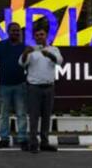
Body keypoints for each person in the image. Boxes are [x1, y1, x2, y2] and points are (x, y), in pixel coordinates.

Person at [19, 24, 63, 153]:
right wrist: (25, 53)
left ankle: (45, 143)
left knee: (46, 117)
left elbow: (59, 61)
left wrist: (48, 55)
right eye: (37, 35)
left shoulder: (53, 49)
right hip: (34, 87)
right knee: (34, 117)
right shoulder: (31, 51)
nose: (39, 37)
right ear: (34, 37)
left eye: (42, 34)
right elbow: (21, 63)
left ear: (46, 35)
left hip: (49, 87)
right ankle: (33, 143)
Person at [0, 22, 28, 150]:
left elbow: (29, 66)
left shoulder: (24, 48)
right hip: (3, 85)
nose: (16, 33)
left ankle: (22, 139)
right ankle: (4, 139)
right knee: (4, 114)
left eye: (17, 31)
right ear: (8, 32)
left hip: (20, 84)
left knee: (21, 114)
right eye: (13, 30)